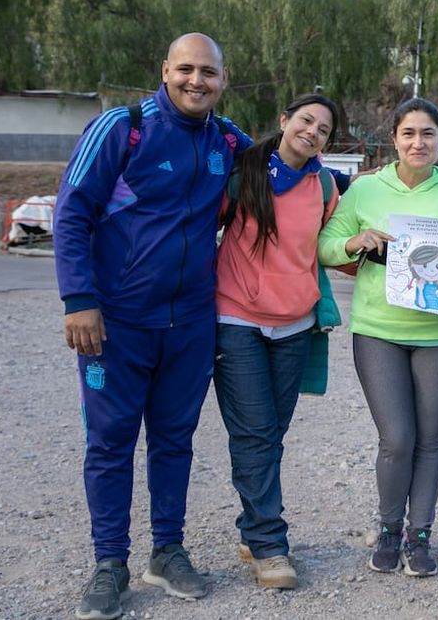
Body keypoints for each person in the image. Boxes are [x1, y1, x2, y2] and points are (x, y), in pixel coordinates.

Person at [53, 33, 251, 620]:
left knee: (174, 440)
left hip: (190, 322)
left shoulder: (225, 138)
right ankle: (110, 562)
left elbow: (281, 164)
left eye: (208, 72)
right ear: (165, 70)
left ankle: (167, 550)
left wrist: (348, 189)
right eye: (186, 69)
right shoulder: (123, 127)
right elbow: (70, 214)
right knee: (110, 443)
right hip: (115, 322)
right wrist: (79, 300)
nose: (197, 81)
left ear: (222, 78)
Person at [318, 98, 438, 577]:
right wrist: (354, 243)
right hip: (378, 329)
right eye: (408, 133)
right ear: (394, 138)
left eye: (428, 134)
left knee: (430, 439)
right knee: (397, 438)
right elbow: (325, 244)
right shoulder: (364, 191)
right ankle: (388, 528)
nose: (418, 143)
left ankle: (420, 535)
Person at [213, 93, 343, 590]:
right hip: (237, 318)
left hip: (294, 325)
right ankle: (269, 544)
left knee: (272, 433)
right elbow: (205, 223)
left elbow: (327, 246)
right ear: (285, 121)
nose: (312, 132)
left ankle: (252, 526)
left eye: (324, 130)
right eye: (306, 120)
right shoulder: (243, 171)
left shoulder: (325, 185)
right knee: (254, 434)